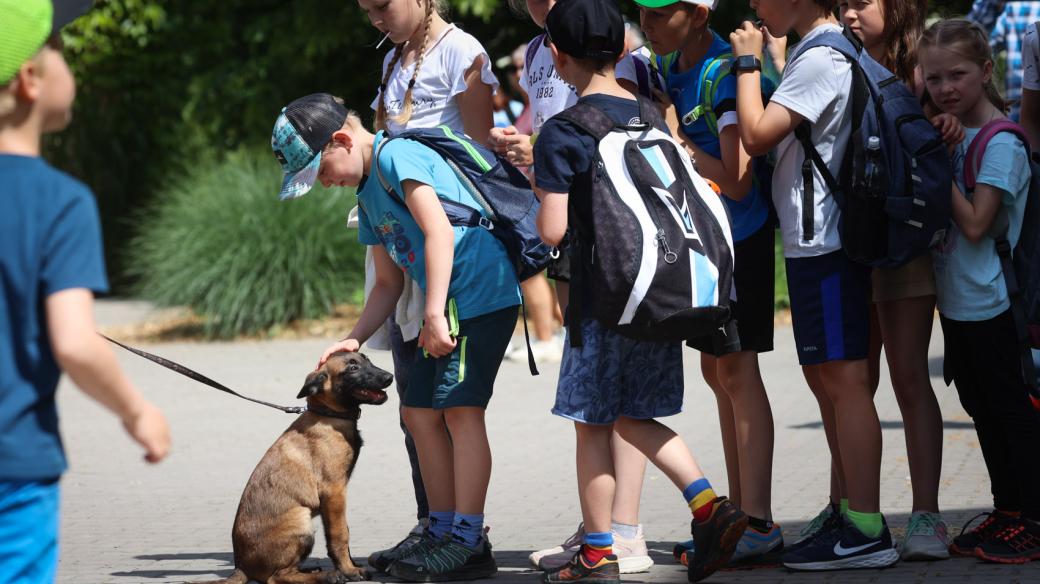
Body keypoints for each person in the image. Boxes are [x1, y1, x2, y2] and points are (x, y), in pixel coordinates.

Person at [533, 0, 748, 581]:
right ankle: (710, 505)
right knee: (636, 415)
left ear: (556, 54)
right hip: (662, 293)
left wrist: (539, 182)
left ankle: (598, 548)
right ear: (623, 49)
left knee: (593, 424)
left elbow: (552, 229)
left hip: (601, 302)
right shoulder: (653, 115)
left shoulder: (564, 130)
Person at [273, 93, 520, 580]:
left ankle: (469, 541)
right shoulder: (365, 193)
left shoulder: (395, 156)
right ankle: (441, 530)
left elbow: (439, 233)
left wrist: (433, 314)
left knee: (460, 412)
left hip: (479, 296)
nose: (323, 184)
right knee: (417, 413)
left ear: (341, 140)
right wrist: (354, 338)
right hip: (445, 306)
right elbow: (387, 283)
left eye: (319, 171)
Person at [0, 1, 172, 581]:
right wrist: (136, 410)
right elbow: (74, 342)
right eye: (61, 53)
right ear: (30, 80)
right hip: (14, 465)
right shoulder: (59, 203)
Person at [731, 0, 899, 571]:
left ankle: (869, 528)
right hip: (815, 242)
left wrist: (749, 65)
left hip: (825, 240)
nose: (753, 5)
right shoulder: (818, 49)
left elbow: (756, 135)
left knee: (845, 380)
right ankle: (847, 508)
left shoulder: (822, 56)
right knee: (829, 379)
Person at [494, 0, 656, 574]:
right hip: (605, 246)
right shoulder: (541, 49)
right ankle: (604, 527)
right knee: (619, 399)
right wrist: (535, 159)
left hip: (603, 248)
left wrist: (547, 179)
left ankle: (622, 531)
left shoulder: (627, 58)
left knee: (605, 403)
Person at [349, 0, 500, 569]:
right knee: (415, 404)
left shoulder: (463, 51)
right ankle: (432, 524)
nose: (376, 20)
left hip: (449, 251)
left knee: (450, 407)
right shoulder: (393, 58)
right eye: (366, 11)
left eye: (382, 6)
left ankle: (466, 535)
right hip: (401, 246)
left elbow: (483, 158)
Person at [635, 0, 780, 566]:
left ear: (697, 15)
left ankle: (760, 523)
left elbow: (739, 181)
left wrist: (673, 136)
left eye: (659, 13)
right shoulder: (670, 66)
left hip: (738, 241)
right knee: (717, 371)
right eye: (641, 13)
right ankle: (738, 516)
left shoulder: (721, 71)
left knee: (739, 374)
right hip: (705, 247)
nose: (646, 24)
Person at [919, 18, 1040, 564]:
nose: (946, 88)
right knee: (981, 407)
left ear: (987, 71)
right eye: (935, 77)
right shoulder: (953, 131)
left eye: (958, 75)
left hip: (996, 303)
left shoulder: (1002, 143)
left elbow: (975, 223)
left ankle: (1033, 520)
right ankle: (1008, 511)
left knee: (1012, 409)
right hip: (959, 302)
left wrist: (933, 162)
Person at [838, 0, 955, 561]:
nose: (848, 12)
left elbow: (983, 109)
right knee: (853, 382)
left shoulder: (923, 66)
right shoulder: (836, 57)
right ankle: (850, 512)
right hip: (851, 243)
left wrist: (950, 124)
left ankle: (927, 516)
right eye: (842, 3)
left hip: (904, 242)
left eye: (861, 2)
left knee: (909, 377)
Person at [967, 0, 1040, 121]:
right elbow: (968, 43)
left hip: (1017, 108)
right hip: (1019, 112)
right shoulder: (1012, 8)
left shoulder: (1012, 8)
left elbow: (970, 41)